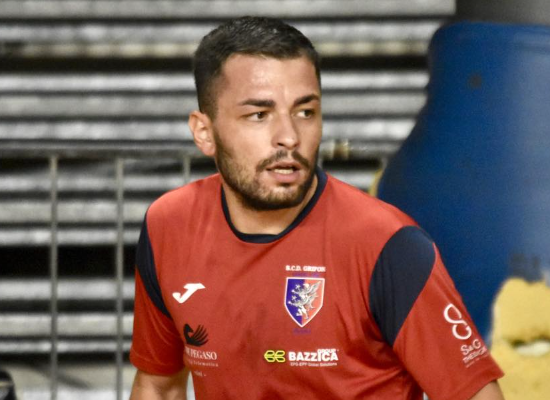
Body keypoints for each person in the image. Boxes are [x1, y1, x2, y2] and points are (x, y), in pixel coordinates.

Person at [129, 16, 505, 400]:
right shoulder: (169, 225)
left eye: (305, 112)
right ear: (204, 132)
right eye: (259, 115)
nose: (289, 137)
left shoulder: (388, 245)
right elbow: (158, 387)